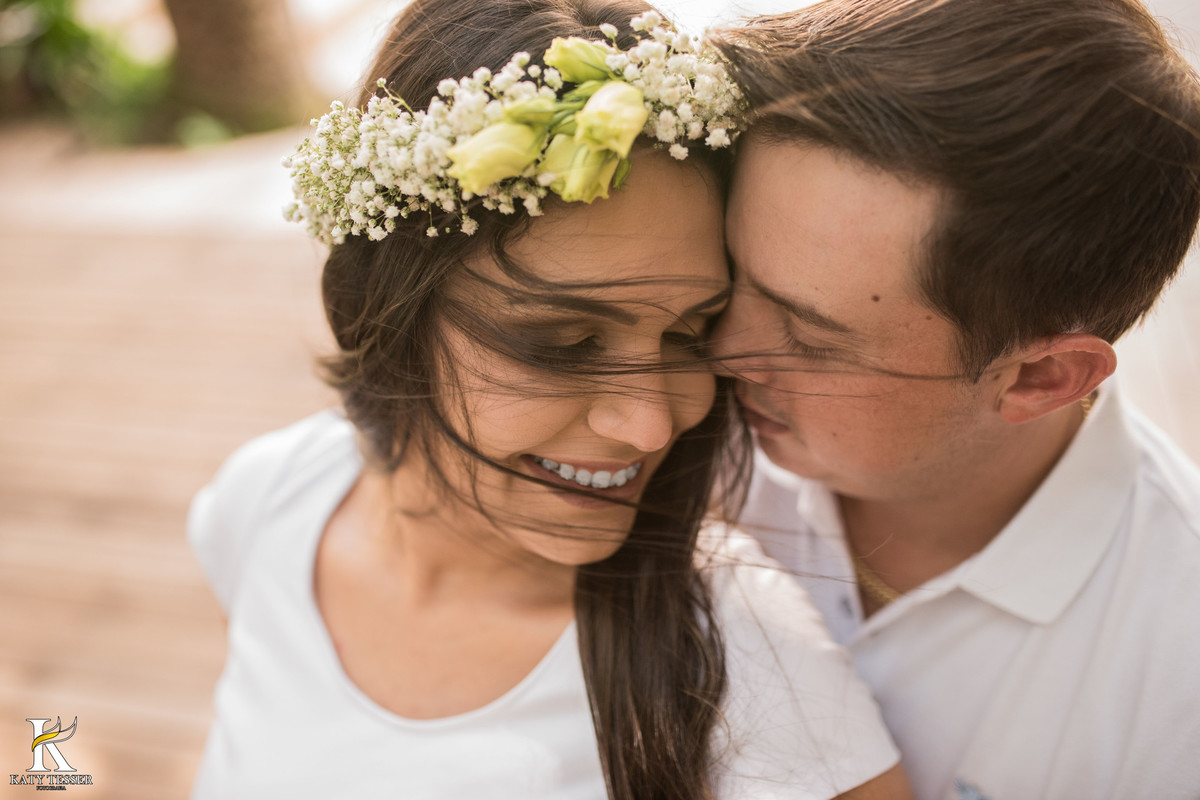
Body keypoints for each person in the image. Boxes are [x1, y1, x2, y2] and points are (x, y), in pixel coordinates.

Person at [187, 0, 911, 797]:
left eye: (689, 334)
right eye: (564, 345)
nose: (650, 423)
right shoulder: (265, 504)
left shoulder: (747, 661)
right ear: (390, 311)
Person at [710, 0, 1200, 798]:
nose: (720, 354)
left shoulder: (1178, 684)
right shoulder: (646, 427)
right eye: (731, 277)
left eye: (810, 339)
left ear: (1041, 379)